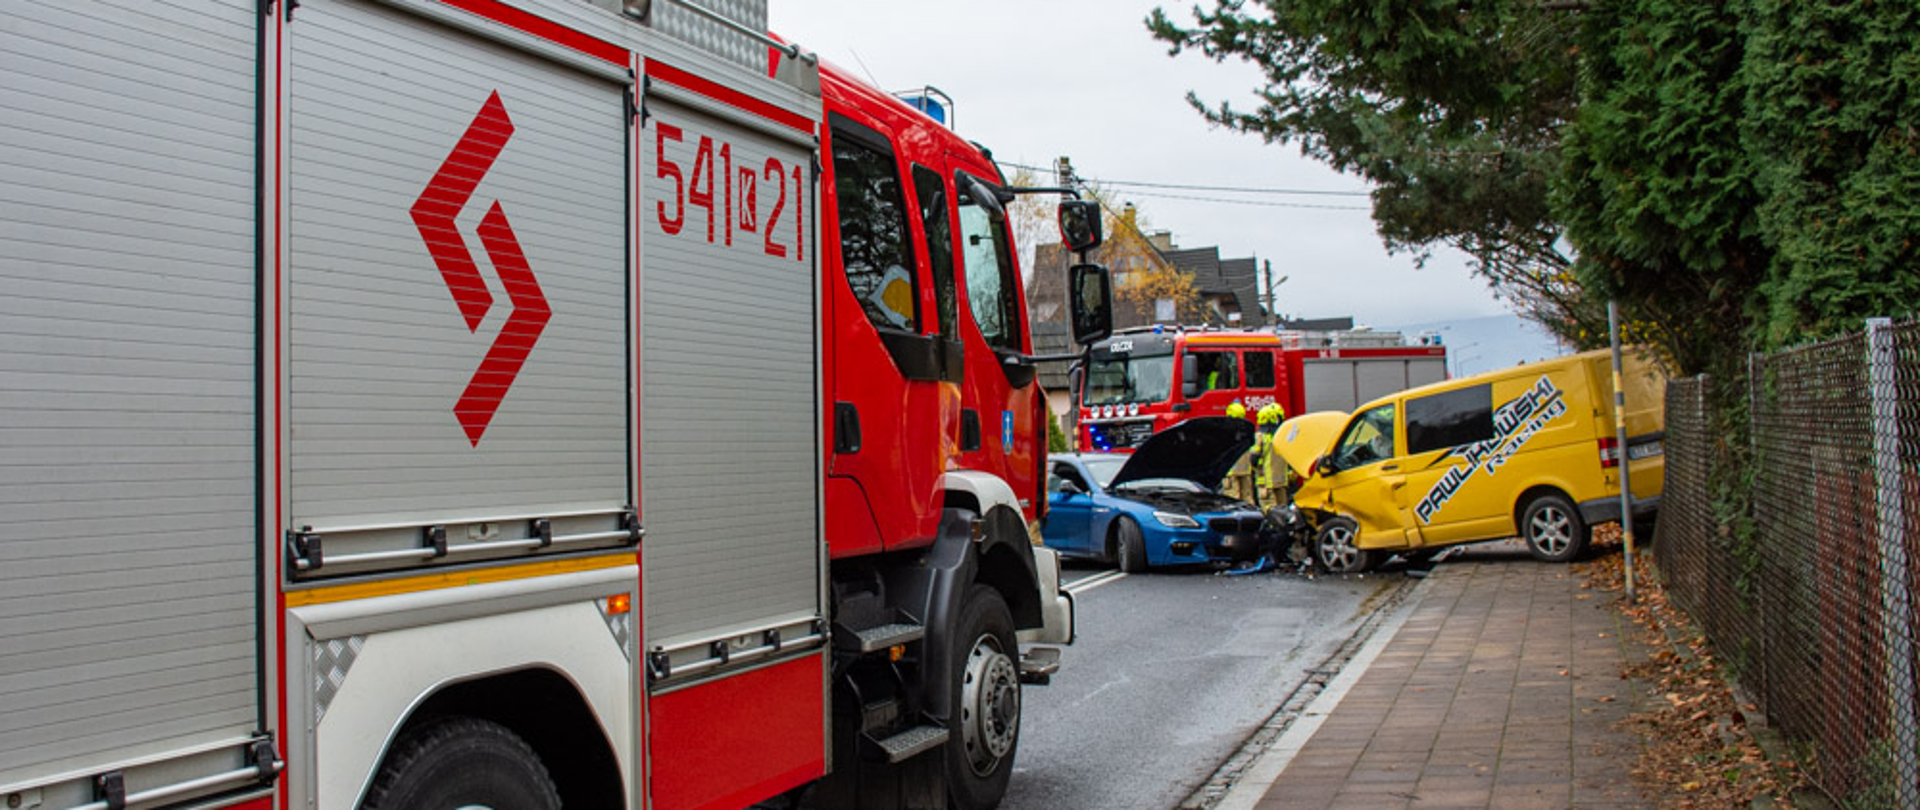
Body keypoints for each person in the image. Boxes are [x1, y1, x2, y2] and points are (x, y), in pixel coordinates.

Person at [1219, 401, 1257, 502]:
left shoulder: (1225, 433)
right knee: (1248, 498)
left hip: (1231, 472)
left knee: (1232, 499)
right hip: (1246, 471)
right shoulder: (1248, 432)